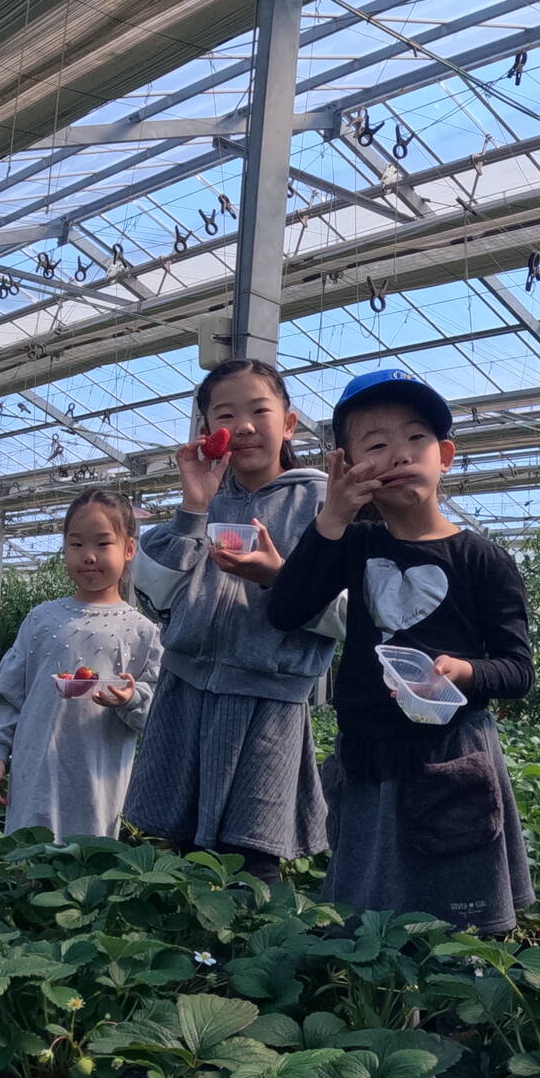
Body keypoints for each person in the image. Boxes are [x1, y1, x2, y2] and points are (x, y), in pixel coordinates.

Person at [267, 369, 535, 930]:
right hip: (371, 756)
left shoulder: (482, 560)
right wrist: (332, 516)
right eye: (376, 444)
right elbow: (285, 609)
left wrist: (464, 671)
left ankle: (461, 987)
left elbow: (517, 670)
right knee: (370, 915)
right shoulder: (355, 545)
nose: (400, 454)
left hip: (454, 754)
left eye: (416, 438)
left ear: (445, 456)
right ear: (347, 465)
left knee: (457, 915)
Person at [124, 358, 340, 883]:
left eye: (259, 411)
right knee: (178, 847)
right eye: (225, 414)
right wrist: (193, 506)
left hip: (268, 699)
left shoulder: (322, 503)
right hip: (186, 690)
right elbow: (156, 595)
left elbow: (353, 612)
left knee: (252, 858)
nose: (242, 426)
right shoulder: (205, 500)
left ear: (289, 424)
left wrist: (281, 578)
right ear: (206, 430)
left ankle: (251, 936)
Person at [0, 489, 162, 841]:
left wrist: (130, 698)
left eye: (103, 544)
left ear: (129, 549)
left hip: (99, 779)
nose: (89, 556)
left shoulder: (142, 631)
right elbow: (9, 693)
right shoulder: (41, 619)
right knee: (29, 851)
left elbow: (158, 708)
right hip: (36, 772)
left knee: (88, 857)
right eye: (76, 544)